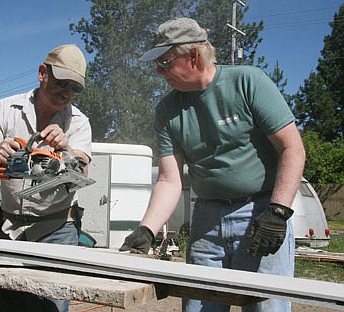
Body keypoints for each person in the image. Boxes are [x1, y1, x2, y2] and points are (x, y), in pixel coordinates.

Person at [119, 17, 305, 312]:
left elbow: (292, 148)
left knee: (266, 307)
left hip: (260, 214)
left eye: (165, 62)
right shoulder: (168, 110)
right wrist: (146, 231)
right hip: (206, 218)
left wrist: (278, 212)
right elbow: (170, 180)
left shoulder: (247, 82)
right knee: (198, 307)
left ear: (193, 55)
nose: (158, 71)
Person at [0, 44, 92, 312]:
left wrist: (67, 150)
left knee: (51, 307)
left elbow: (81, 176)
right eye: (62, 83)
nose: (67, 92)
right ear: (42, 73)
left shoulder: (79, 122)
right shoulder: (6, 109)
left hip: (57, 230)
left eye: (75, 88)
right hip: (10, 229)